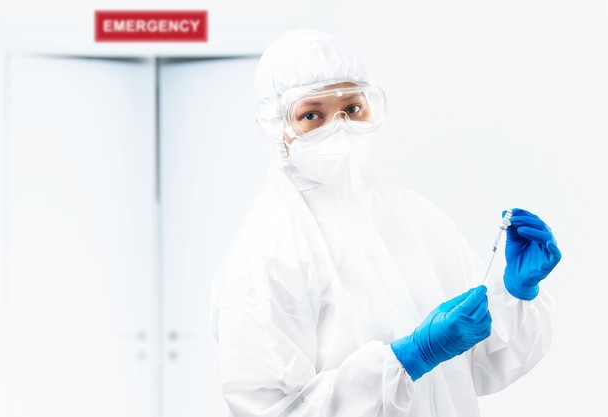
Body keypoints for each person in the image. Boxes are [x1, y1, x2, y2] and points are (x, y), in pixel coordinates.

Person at [209, 28, 561, 417]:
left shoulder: (413, 216)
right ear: (276, 127)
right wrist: (408, 359)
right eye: (312, 114)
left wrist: (516, 294)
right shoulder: (268, 249)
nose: (339, 125)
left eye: (353, 107)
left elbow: (481, 366)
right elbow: (275, 410)